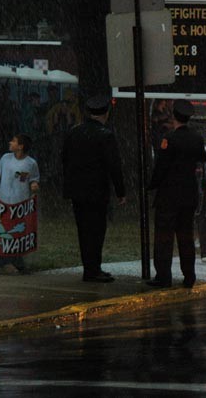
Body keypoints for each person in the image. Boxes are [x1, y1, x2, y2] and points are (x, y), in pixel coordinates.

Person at [62, 95, 126, 283]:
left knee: (83, 230)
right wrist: (120, 191)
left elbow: (64, 158)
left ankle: (89, 268)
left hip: (78, 191)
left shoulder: (74, 132)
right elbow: (114, 165)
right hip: (97, 191)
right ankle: (94, 268)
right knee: (97, 230)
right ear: (106, 113)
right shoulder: (106, 135)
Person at [147, 99, 206, 288]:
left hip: (169, 194)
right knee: (185, 237)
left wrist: (152, 185)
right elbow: (202, 157)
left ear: (174, 116)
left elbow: (161, 166)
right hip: (188, 195)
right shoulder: (197, 138)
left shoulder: (169, 139)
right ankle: (189, 275)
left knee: (164, 237)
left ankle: (163, 276)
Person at [0, 134, 40, 274]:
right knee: (3, 230)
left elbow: (34, 179)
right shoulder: (5, 158)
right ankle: (3, 262)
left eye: (13, 141)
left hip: (20, 203)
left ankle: (17, 261)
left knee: (18, 231)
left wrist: (34, 185)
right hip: (3, 201)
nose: (10, 142)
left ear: (21, 146)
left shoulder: (31, 163)